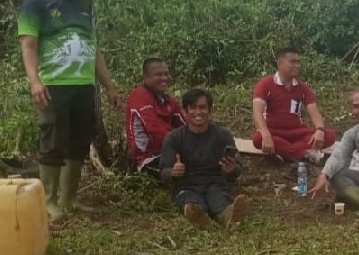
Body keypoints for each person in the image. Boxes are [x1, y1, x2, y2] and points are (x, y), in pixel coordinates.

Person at [17, 0, 121, 220]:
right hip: (54, 84)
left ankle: (69, 201)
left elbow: (94, 49)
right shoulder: (36, 4)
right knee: (52, 142)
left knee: (78, 143)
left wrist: (109, 85)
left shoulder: (83, 7)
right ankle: (49, 202)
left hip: (84, 85)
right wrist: (35, 81)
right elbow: (28, 45)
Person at [160, 88, 247, 229]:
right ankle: (200, 219)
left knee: (219, 201)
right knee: (192, 204)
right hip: (186, 185)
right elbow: (163, 172)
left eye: (202, 108)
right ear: (185, 111)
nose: (198, 112)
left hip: (215, 182)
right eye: (193, 108)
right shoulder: (174, 138)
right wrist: (173, 172)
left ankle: (230, 216)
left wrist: (231, 169)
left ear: (210, 110)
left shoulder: (223, 135)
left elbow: (238, 170)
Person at [252, 47, 336, 162]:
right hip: (274, 132)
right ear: (280, 63)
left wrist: (320, 130)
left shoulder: (303, 88)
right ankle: (303, 153)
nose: (297, 65)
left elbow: (314, 112)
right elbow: (257, 113)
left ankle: (286, 153)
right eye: (292, 62)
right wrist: (266, 135)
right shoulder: (265, 84)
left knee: (329, 135)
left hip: (297, 132)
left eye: (298, 62)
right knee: (258, 139)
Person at [126, 57, 186, 175]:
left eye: (166, 74)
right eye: (158, 75)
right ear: (146, 76)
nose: (164, 78)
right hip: (148, 160)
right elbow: (158, 132)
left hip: (170, 152)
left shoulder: (167, 100)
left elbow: (187, 123)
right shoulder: (139, 96)